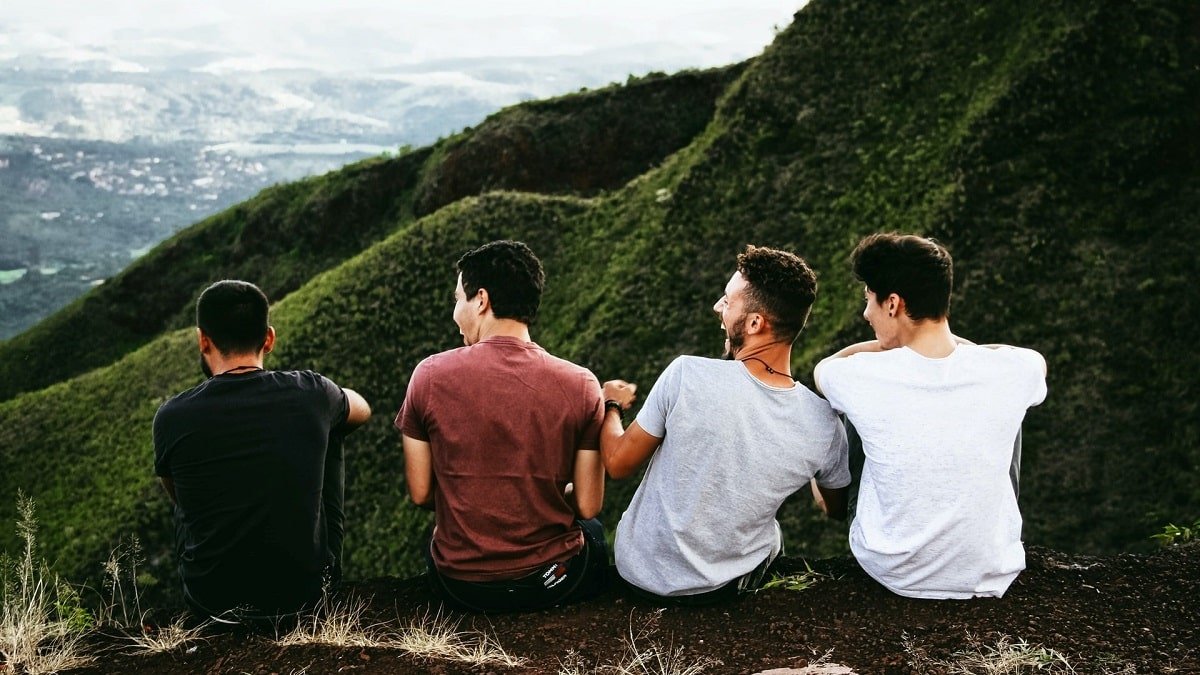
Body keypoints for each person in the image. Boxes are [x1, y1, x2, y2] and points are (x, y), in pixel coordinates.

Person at [601, 245, 850, 604]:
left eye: (727, 301)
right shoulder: (824, 424)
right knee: (772, 534)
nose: (718, 307)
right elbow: (834, 509)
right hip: (723, 589)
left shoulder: (686, 374)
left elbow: (617, 463)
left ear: (754, 323)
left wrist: (611, 404)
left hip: (640, 575)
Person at [814, 233, 1047, 599]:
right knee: (1007, 407)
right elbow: (1026, 360)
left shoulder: (858, 374)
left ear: (893, 304)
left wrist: (886, 347)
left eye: (869, 301)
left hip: (892, 569)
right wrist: (957, 349)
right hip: (989, 571)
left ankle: (838, 510)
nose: (865, 314)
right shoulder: (1015, 370)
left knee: (851, 411)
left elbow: (825, 369)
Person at [396, 240, 608, 613]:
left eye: (457, 299)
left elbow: (421, 493)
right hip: (550, 582)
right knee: (594, 532)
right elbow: (589, 504)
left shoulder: (429, 376)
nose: (455, 312)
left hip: (460, 586)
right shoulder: (582, 384)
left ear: (481, 300)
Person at [153, 280, 371, 623]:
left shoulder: (171, 416)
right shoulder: (311, 393)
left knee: (188, 486)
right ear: (269, 338)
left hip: (211, 600)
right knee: (334, 428)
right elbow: (362, 409)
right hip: (303, 596)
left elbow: (180, 498)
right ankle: (325, 573)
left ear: (203, 339)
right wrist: (327, 400)